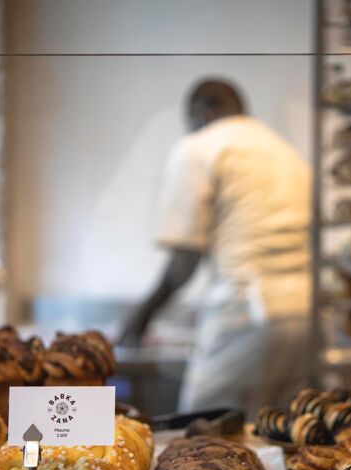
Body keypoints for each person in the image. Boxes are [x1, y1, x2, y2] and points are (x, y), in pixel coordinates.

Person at [120, 78, 311, 415]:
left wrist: (142, 316)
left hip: (247, 311)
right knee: (278, 436)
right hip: (305, 310)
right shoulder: (283, 149)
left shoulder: (200, 147)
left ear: (204, 112)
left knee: (201, 432)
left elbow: (185, 260)